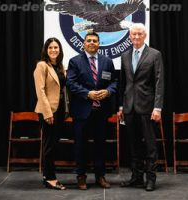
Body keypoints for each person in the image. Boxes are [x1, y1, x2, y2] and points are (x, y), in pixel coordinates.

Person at [66, 30, 118, 190]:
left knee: (100, 146)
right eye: (88, 40)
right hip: (81, 111)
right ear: (84, 43)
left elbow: (115, 82)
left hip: (101, 112)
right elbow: (71, 83)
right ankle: (81, 176)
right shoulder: (74, 61)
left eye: (95, 40)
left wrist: (108, 91)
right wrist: (87, 93)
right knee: (80, 146)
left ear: (99, 43)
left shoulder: (107, 62)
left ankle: (100, 176)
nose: (92, 43)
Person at [118, 23, 164, 191]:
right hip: (129, 108)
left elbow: (159, 83)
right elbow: (123, 83)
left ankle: (151, 179)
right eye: (133, 34)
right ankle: (136, 178)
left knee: (150, 146)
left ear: (145, 36)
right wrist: (121, 107)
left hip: (147, 108)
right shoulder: (124, 55)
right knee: (133, 145)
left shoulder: (154, 54)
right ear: (129, 36)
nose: (136, 37)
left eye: (139, 34)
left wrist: (157, 108)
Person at [34, 37, 68, 190]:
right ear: (46, 50)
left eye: (56, 47)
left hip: (60, 110)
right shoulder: (42, 66)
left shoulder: (60, 66)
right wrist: (47, 113)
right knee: (49, 146)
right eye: (50, 48)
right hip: (48, 111)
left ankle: (46, 175)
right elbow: (40, 91)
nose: (53, 50)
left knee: (53, 145)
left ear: (59, 50)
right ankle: (50, 178)